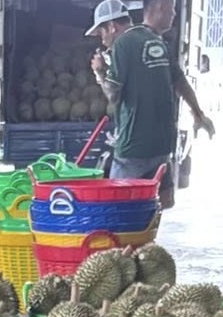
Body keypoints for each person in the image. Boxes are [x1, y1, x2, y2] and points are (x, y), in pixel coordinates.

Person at [88, 0, 179, 206]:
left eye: (102, 32)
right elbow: (176, 81)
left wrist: (99, 72)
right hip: (162, 144)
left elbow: (113, 95)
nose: (102, 40)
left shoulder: (122, 44)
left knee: (117, 207)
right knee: (157, 203)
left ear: (112, 26)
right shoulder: (155, 39)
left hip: (133, 147)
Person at [141, 0, 215, 139]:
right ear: (160, 6)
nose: (174, 14)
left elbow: (180, 81)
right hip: (140, 139)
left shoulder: (162, 46)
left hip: (157, 136)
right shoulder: (134, 43)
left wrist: (198, 114)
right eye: (172, 8)